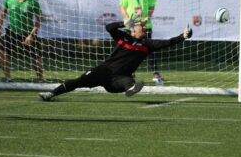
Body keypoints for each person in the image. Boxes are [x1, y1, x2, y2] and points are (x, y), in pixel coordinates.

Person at [39, 19, 192, 101]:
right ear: (133, 31)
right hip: (105, 71)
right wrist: (122, 23)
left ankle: (131, 89)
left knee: (129, 82)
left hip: (118, 79)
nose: (143, 29)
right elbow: (109, 28)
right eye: (140, 28)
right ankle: (51, 94)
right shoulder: (123, 37)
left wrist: (183, 36)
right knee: (79, 81)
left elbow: (168, 43)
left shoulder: (148, 45)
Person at [0, 0, 43, 81]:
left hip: (28, 34)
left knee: (38, 56)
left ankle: (40, 79)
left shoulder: (33, 0)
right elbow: (2, 13)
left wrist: (31, 35)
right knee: (2, 50)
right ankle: (8, 77)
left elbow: (39, 19)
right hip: (12, 32)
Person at [119, 0, 163, 84]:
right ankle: (130, 73)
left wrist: (147, 18)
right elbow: (122, 7)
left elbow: (152, 7)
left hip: (145, 26)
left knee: (149, 49)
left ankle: (155, 73)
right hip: (131, 27)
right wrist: (128, 20)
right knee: (129, 50)